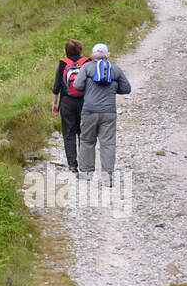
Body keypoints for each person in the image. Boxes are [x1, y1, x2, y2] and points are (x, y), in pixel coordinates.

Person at [70, 43, 131, 185]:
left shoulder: (86, 67)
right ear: (107, 54)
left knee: (86, 141)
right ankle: (107, 178)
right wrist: (113, 89)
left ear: (93, 54)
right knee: (108, 144)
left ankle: (86, 175)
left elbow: (77, 86)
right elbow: (127, 88)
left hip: (89, 111)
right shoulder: (115, 69)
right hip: (109, 112)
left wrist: (89, 88)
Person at [51, 39, 90, 173]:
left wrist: (55, 103)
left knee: (69, 133)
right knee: (84, 133)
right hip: (85, 101)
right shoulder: (87, 62)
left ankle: (72, 165)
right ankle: (85, 164)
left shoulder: (63, 63)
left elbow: (57, 86)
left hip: (67, 101)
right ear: (80, 49)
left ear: (66, 51)